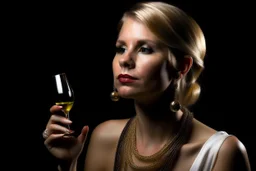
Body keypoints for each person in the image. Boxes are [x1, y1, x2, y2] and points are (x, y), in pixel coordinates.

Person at [42, 1, 251, 171]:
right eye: (121, 48)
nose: (125, 60)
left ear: (183, 66)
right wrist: (67, 164)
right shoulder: (103, 138)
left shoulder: (223, 152)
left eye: (145, 49)